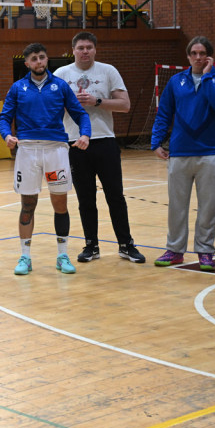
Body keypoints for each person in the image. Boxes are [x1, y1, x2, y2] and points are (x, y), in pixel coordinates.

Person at [0, 43, 91, 276]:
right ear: (27, 63)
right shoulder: (17, 88)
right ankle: (25, 257)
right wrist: (7, 135)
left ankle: (62, 255)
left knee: (60, 204)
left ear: (47, 59)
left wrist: (85, 134)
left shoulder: (61, 86)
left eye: (41, 57)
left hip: (56, 149)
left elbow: (80, 114)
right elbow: (4, 117)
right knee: (27, 205)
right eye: (34, 59)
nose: (38, 62)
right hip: (27, 150)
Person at [54, 32, 146, 264]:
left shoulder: (108, 71)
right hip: (75, 143)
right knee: (85, 199)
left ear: (95, 50)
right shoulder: (61, 74)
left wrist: (97, 101)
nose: (85, 51)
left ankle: (126, 245)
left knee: (115, 196)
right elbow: (50, 107)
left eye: (89, 47)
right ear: (73, 50)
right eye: (80, 47)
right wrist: (70, 103)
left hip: (104, 141)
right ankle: (91, 245)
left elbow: (125, 105)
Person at [150, 36, 215, 270]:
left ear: (209, 57)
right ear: (188, 56)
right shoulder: (175, 81)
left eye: (202, 53)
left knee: (208, 207)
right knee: (177, 206)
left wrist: (207, 77)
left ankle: (205, 251)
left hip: (211, 152)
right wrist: (156, 142)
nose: (198, 57)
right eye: (194, 53)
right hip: (180, 152)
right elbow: (164, 113)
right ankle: (175, 250)